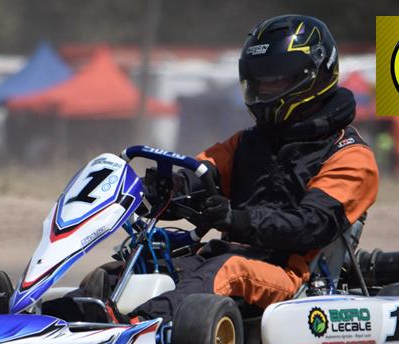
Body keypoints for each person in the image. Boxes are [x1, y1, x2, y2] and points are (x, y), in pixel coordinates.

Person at [128, 14, 379, 323]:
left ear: (313, 75)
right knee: (148, 260)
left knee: (227, 269)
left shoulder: (350, 156)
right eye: (258, 80)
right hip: (228, 257)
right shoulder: (248, 142)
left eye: (275, 80)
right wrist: (167, 189)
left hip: (293, 277)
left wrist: (236, 218)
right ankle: (79, 315)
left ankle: (143, 325)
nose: (263, 89)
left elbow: (308, 226)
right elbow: (202, 172)